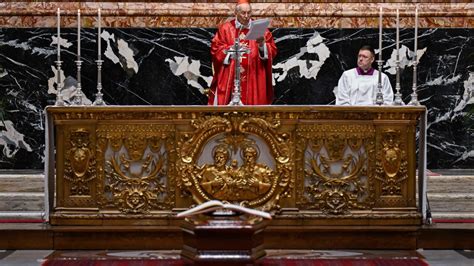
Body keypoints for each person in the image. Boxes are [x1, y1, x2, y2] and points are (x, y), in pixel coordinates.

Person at [208, 0, 277, 106]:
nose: (246, 16)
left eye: (249, 13)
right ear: (236, 13)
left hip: (254, 76)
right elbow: (215, 49)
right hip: (230, 77)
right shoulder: (225, 29)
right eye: (243, 13)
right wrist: (230, 50)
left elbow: (273, 50)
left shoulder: (260, 29)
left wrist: (262, 45)